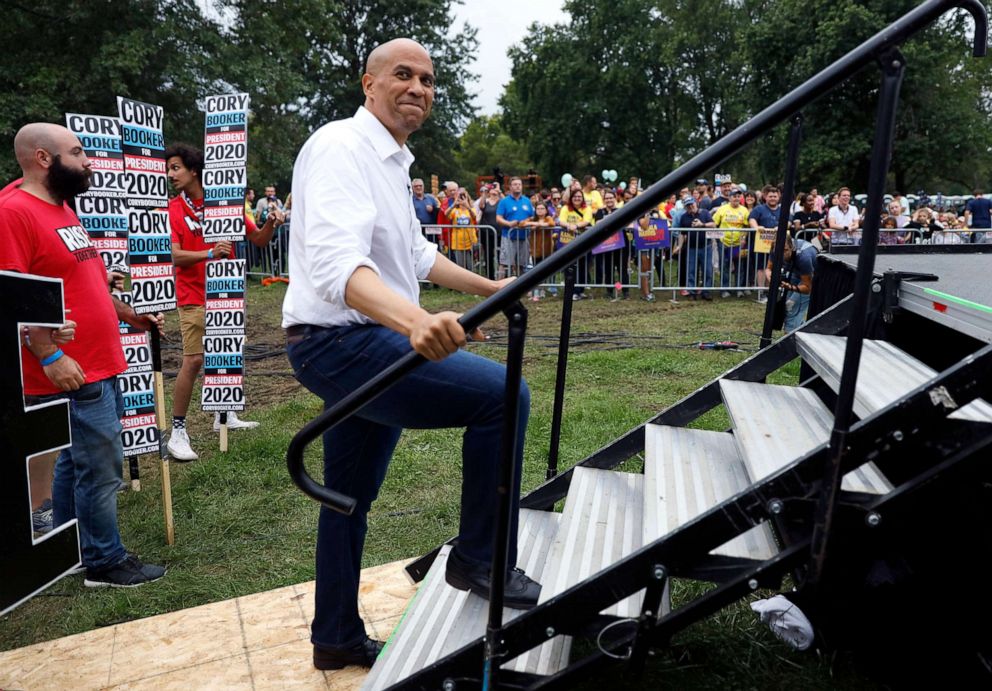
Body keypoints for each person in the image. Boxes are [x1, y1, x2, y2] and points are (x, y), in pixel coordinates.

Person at [281, 38, 539, 672]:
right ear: (368, 83)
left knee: (345, 497)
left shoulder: (393, 161)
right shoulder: (342, 147)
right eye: (403, 75)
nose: (418, 88)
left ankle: (335, 635)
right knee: (505, 398)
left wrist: (489, 288)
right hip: (342, 341)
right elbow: (340, 266)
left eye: (427, 79)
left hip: (357, 340)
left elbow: (416, 257)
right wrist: (417, 321)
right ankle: (481, 558)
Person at [0, 123, 166, 587]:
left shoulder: (61, 206)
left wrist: (128, 316)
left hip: (97, 358)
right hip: (72, 368)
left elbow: (82, 280)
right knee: (100, 465)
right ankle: (104, 561)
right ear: (44, 158)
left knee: (78, 461)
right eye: (77, 152)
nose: (87, 160)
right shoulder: (14, 212)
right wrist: (50, 355)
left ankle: (70, 547)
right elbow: (12, 296)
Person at [163, 144, 280, 461]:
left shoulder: (226, 204)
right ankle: (177, 432)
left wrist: (271, 223)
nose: (170, 174)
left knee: (227, 351)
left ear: (193, 170)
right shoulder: (174, 209)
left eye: (175, 168)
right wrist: (209, 253)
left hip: (225, 293)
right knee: (194, 360)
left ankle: (224, 415)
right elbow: (173, 255)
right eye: (169, 168)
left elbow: (257, 239)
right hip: (192, 295)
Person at [766, 233, 816, 332]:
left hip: (811, 277)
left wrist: (791, 287)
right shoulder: (775, 249)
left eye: (785, 250)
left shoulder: (803, 257)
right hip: (795, 273)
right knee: (786, 307)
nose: (782, 255)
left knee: (791, 307)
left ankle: (789, 342)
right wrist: (771, 278)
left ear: (792, 247)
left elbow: (807, 288)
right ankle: (799, 333)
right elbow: (768, 269)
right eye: (778, 251)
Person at [712, 187, 749, 297]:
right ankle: (725, 289)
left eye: (738, 196)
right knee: (725, 265)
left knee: (739, 266)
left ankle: (739, 289)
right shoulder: (722, 209)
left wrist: (744, 238)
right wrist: (715, 237)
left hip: (738, 243)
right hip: (724, 242)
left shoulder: (744, 210)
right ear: (729, 197)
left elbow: (747, 225)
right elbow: (714, 223)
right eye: (734, 196)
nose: (736, 198)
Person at [556, 188, 593, 299]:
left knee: (583, 265)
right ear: (571, 198)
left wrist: (575, 226)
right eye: (575, 196)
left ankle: (580, 290)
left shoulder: (587, 209)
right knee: (570, 266)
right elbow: (560, 220)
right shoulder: (565, 208)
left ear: (582, 198)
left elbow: (586, 221)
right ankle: (571, 291)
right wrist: (568, 225)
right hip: (568, 242)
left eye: (579, 197)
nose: (577, 198)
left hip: (585, 241)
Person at [496, 176, 534, 279]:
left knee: (522, 264)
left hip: (524, 237)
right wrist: (508, 224)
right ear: (510, 187)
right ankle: (499, 288)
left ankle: (520, 288)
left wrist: (527, 222)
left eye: (519, 184)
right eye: (515, 184)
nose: (517, 186)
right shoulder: (504, 201)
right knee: (504, 263)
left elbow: (532, 216)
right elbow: (498, 218)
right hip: (508, 236)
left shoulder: (527, 201)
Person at [680, 195, 715, 300]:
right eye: (688, 205)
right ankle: (692, 292)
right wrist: (679, 246)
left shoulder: (704, 213)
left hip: (706, 247)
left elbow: (713, 224)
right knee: (691, 271)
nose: (690, 206)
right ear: (685, 207)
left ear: (696, 203)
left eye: (692, 204)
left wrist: (702, 225)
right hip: (691, 247)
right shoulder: (684, 217)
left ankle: (706, 292)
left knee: (707, 270)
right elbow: (682, 233)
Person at [445, 186, 478, 270]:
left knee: (470, 267)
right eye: (460, 196)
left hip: (470, 242)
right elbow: (446, 214)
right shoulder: (455, 210)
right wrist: (454, 204)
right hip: (457, 243)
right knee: (460, 266)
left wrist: (467, 206)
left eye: (464, 196)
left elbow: (474, 217)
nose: (462, 198)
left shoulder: (471, 209)